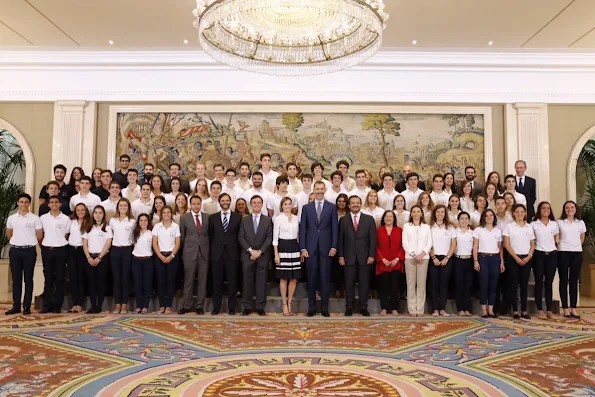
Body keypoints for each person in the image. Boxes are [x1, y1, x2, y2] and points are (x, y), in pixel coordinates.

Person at [299, 181, 339, 317]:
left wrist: (334, 246)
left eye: (322, 189)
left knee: (325, 279)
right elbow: (302, 229)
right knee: (311, 279)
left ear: (325, 190)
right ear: (314, 190)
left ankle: (324, 308)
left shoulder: (332, 208)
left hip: (326, 249)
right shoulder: (306, 208)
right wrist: (302, 248)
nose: (320, 191)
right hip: (310, 249)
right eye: (317, 189)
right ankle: (311, 308)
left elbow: (335, 228)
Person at [338, 195, 377, 316]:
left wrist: (371, 255)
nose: (355, 205)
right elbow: (340, 240)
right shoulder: (343, 220)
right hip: (348, 257)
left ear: (360, 204)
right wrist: (341, 256)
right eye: (353, 203)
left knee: (364, 284)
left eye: (357, 203)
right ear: (349, 205)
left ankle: (363, 307)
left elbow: (373, 240)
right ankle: (349, 307)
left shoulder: (369, 219)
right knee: (348, 284)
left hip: (365, 257)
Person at [5, 194, 43, 316]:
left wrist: (28, 242)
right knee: (16, 280)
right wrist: (18, 242)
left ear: (29, 203)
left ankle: (27, 306)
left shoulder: (35, 218)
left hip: (29, 251)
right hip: (15, 250)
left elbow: (39, 236)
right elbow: (9, 234)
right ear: (18, 203)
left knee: (28, 279)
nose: (23, 204)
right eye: (21, 202)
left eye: (26, 202)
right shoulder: (11, 218)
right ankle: (16, 306)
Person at [239, 195, 273, 316]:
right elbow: (241, 237)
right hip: (247, 256)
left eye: (259, 203)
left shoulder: (268, 220)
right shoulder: (244, 219)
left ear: (262, 204)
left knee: (261, 282)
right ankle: (247, 307)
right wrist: (250, 251)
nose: (256, 204)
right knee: (247, 282)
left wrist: (259, 252)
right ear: (251, 204)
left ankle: (260, 307)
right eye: (254, 203)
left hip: (262, 256)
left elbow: (269, 238)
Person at [209, 193, 242, 315]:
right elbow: (211, 236)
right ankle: (216, 307)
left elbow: (239, 236)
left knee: (232, 282)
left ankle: (232, 308)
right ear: (219, 202)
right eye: (222, 200)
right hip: (217, 254)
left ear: (230, 201)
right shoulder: (212, 218)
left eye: (227, 200)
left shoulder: (238, 217)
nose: (225, 202)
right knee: (216, 282)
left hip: (232, 254)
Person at [179, 195, 210, 315]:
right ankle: (186, 305)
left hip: (204, 253)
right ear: (190, 205)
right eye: (194, 204)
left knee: (203, 280)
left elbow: (209, 235)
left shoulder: (207, 218)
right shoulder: (184, 218)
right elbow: (182, 236)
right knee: (188, 280)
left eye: (198, 204)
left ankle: (199, 306)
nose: (196, 206)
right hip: (189, 253)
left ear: (201, 204)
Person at [38, 195, 70, 314]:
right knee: (48, 278)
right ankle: (47, 305)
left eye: (56, 202)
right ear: (48, 204)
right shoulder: (43, 218)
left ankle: (57, 305)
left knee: (60, 278)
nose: (54, 204)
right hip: (47, 249)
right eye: (52, 202)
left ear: (60, 204)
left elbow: (66, 234)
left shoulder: (65, 219)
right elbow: (41, 234)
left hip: (61, 249)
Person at [503, 204, 535, 320]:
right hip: (513, 258)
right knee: (513, 285)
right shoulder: (509, 227)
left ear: (525, 213)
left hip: (526, 259)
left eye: (522, 212)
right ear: (513, 213)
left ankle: (524, 310)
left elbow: (532, 244)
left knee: (524, 286)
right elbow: (507, 244)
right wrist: (516, 258)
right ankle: (515, 310)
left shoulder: (529, 227)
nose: (520, 214)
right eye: (517, 212)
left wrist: (529, 256)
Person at [557, 200, 586, 319]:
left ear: (575, 209)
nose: (570, 209)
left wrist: (575, 246)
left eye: (572, 207)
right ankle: (565, 308)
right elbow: (556, 237)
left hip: (577, 253)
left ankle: (573, 308)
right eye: (567, 208)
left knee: (574, 281)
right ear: (564, 210)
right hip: (563, 252)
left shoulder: (580, 223)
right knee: (563, 280)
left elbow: (582, 238)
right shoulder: (559, 222)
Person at [473, 209, 504, 318]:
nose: (489, 217)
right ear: (483, 218)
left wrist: (502, 262)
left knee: (493, 285)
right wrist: (475, 261)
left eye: (491, 215)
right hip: (483, 258)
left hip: (495, 259)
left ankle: (491, 309)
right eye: (487, 216)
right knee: (483, 284)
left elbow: (500, 248)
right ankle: (484, 310)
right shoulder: (478, 230)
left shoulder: (498, 231)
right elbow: (475, 246)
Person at [402, 205, 432, 317]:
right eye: (413, 211)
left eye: (418, 211)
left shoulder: (426, 227)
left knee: (421, 284)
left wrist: (422, 254)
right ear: (411, 214)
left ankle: (420, 309)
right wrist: (413, 254)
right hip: (410, 258)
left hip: (423, 258)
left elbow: (429, 243)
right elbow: (405, 242)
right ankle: (412, 309)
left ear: (421, 214)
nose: (415, 213)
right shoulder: (406, 226)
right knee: (410, 283)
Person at [273, 197, 301, 316]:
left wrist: (300, 251)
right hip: (283, 248)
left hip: (294, 247)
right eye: (285, 204)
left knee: (294, 278)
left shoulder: (296, 218)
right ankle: (284, 305)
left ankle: (290, 304)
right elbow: (275, 239)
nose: (288, 206)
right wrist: (276, 254)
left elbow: (299, 236)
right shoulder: (277, 219)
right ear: (282, 206)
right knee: (284, 278)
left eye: (290, 204)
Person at [531, 201, 559, 319]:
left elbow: (555, 240)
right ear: (539, 210)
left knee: (549, 283)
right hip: (539, 254)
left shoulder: (554, 224)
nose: (546, 210)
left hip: (552, 255)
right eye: (543, 208)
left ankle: (549, 309)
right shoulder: (534, 224)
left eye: (548, 208)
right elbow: (531, 240)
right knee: (539, 282)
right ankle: (539, 309)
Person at [83, 205, 113, 314]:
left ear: (103, 214)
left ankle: (99, 306)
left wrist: (99, 257)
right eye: (96, 212)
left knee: (101, 282)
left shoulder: (107, 228)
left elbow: (108, 243)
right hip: (90, 257)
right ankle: (92, 305)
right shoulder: (88, 227)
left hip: (102, 258)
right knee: (91, 283)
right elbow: (85, 244)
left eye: (100, 213)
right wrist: (89, 257)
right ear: (93, 214)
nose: (98, 215)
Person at [152, 206, 181, 315]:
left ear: (171, 214)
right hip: (159, 256)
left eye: (168, 212)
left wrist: (171, 256)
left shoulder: (175, 226)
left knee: (170, 282)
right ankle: (162, 306)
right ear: (161, 214)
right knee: (160, 282)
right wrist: (160, 256)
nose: (166, 214)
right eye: (164, 212)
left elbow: (177, 243)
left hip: (172, 257)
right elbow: (154, 243)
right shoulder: (157, 227)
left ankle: (169, 306)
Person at [375, 210, 405, 316]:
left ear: (394, 219)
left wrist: (397, 258)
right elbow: (376, 246)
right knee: (383, 286)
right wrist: (382, 259)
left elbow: (403, 245)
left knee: (395, 287)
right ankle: (384, 308)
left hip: (396, 263)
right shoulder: (378, 231)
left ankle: (394, 308)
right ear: (383, 218)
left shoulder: (400, 230)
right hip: (383, 263)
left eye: (390, 216)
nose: (388, 218)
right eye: (386, 216)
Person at [109, 198, 135, 314]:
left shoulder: (132, 221)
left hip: (127, 250)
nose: (123, 207)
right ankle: (117, 305)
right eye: (121, 205)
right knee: (116, 279)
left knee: (125, 278)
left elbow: (134, 237)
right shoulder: (112, 221)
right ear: (118, 207)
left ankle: (124, 305)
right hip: (115, 250)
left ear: (128, 207)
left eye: (125, 205)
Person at [429, 205, 456, 317]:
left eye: (442, 212)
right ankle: (435, 308)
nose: (440, 214)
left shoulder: (450, 227)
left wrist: (447, 258)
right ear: (434, 213)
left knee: (444, 284)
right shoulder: (430, 227)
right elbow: (428, 244)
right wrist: (434, 257)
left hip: (446, 259)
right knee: (434, 284)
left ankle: (443, 309)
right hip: (433, 258)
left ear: (445, 214)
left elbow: (453, 244)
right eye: (438, 212)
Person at [67, 203, 90, 313]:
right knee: (73, 277)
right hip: (71, 250)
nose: (80, 212)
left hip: (82, 251)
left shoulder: (89, 223)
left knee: (81, 277)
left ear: (86, 211)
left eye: (82, 210)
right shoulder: (71, 222)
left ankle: (80, 303)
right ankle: (74, 303)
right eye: (78, 210)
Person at [131, 214, 153, 314]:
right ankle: (139, 305)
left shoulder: (151, 234)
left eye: (145, 220)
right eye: (141, 220)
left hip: (148, 260)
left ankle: (145, 306)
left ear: (148, 222)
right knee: (137, 283)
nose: (143, 222)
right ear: (138, 222)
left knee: (147, 283)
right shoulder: (134, 233)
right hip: (136, 260)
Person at [454, 212, 474, 316]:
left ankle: (468, 308)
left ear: (469, 221)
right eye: (462, 218)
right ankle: (460, 308)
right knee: (459, 285)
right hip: (458, 260)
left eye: (466, 218)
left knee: (468, 285)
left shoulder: (473, 233)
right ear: (459, 221)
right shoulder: (455, 232)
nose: (464, 220)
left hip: (469, 260)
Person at [333, 194, 349, 298]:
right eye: (339, 201)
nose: (341, 203)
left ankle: (347, 288)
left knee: (347, 268)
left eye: (343, 201)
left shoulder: (350, 214)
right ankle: (337, 289)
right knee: (336, 268)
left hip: (348, 244)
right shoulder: (333, 213)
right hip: (335, 243)